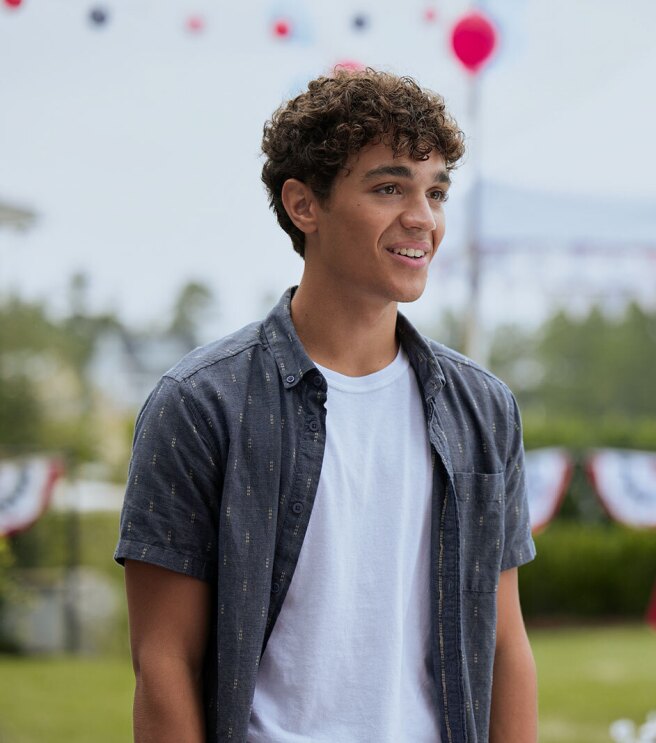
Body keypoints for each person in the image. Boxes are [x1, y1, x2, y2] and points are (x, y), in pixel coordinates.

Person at [115, 68, 538, 743]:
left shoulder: (483, 410)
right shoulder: (199, 404)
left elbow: (506, 643)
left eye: (435, 192)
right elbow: (164, 661)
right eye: (389, 187)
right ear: (304, 204)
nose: (422, 218)